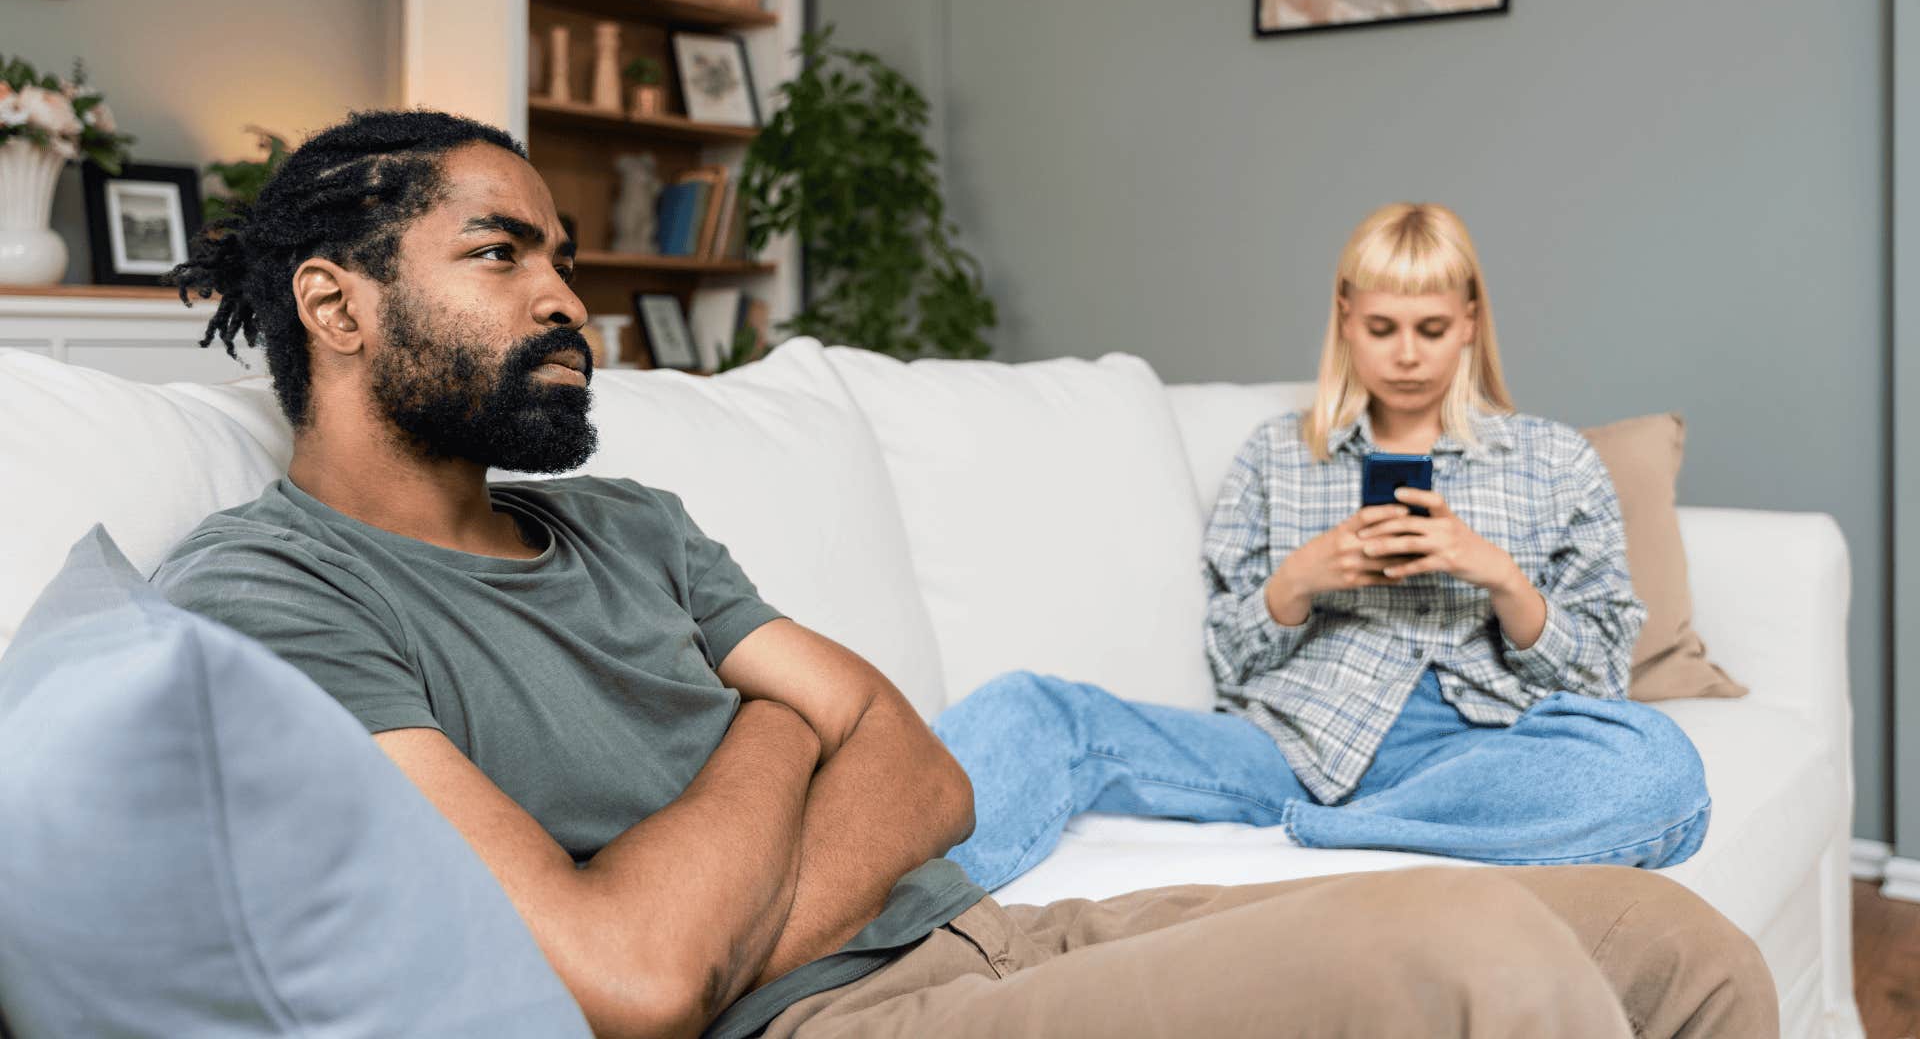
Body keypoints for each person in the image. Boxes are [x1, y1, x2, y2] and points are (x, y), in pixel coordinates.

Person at [153, 113, 1772, 1038]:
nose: (569, 296)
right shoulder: (279, 592)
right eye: (502, 252)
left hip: (982, 929)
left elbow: (920, 772)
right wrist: (791, 722)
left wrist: (776, 796)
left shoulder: (628, 521)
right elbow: (638, 977)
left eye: (566, 253)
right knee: (1482, 962)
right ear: (337, 306)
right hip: (822, 1024)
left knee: (1674, 944)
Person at [936, 202, 1712, 894]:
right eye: (1382, 329)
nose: (1407, 355)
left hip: (1473, 758)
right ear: (1346, 318)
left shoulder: (1557, 462)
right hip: (1284, 748)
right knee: (1028, 705)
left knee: (1660, 767)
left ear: (1471, 319)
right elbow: (1228, 659)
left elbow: (1604, 676)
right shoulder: (1276, 457)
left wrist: (1500, 579)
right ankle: (873, 921)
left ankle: (1351, 830)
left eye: (1432, 329)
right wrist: (1299, 583)